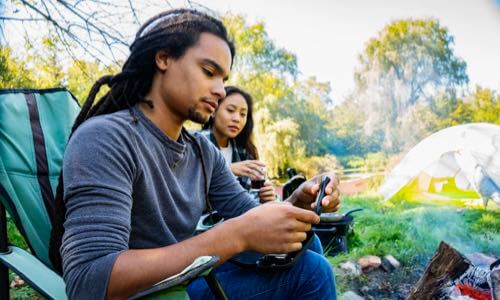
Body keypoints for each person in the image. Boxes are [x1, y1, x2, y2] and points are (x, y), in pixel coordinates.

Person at [49, 8, 341, 300]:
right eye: (209, 72)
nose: (220, 91)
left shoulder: (202, 152)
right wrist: (235, 235)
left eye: (224, 79)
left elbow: (254, 220)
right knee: (312, 271)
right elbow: (88, 281)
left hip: (185, 278)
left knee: (308, 248)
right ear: (163, 58)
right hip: (145, 294)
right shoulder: (105, 138)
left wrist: (297, 202)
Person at [201, 86, 276, 202]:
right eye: (230, 110)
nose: (237, 119)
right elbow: (185, 184)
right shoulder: (196, 143)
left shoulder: (244, 151)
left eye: (243, 114)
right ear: (213, 111)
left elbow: (248, 198)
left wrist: (266, 197)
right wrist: (227, 170)